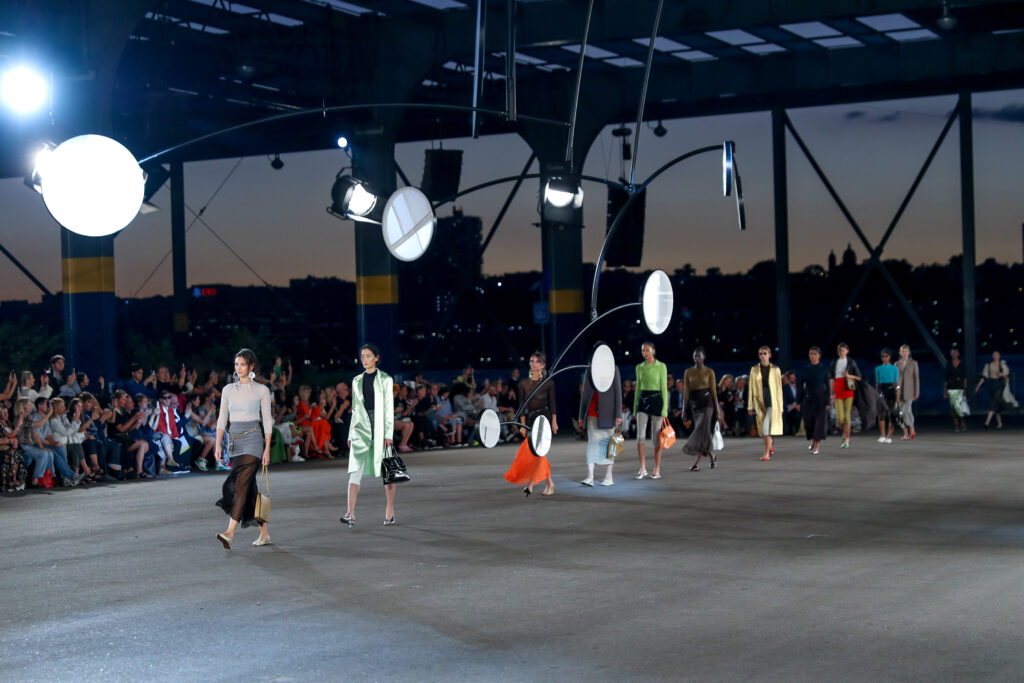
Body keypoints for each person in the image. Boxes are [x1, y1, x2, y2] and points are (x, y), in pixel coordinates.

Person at [215, 349, 273, 549]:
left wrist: (266, 449)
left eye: (242, 364)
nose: (238, 368)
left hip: (253, 440)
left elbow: (267, 420)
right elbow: (222, 418)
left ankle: (229, 533)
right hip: (235, 441)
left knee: (239, 485)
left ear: (251, 366)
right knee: (249, 489)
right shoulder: (228, 390)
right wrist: (218, 444)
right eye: (236, 364)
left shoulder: (261, 390)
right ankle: (264, 533)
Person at [341, 343, 398, 527]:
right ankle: (350, 513)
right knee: (355, 469)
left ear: (376, 358)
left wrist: (388, 434)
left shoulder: (386, 379)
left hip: (380, 425)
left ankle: (390, 510)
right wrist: (351, 434)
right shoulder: (356, 380)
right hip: (361, 426)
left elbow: (389, 408)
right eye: (362, 356)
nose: (364, 359)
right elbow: (355, 409)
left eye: (368, 356)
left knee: (388, 471)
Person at [504, 351, 557, 496]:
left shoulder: (548, 383)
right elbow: (521, 406)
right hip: (531, 420)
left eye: (537, 361)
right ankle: (549, 483)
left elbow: (553, 404)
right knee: (535, 452)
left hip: (544, 419)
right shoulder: (523, 383)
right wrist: (522, 425)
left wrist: (554, 422)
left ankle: (531, 484)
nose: (533, 364)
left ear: (543, 365)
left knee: (537, 451)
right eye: (531, 361)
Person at [578, 355, 622, 487]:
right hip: (593, 410)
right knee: (592, 442)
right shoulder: (590, 369)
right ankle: (590, 476)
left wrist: (618, 414)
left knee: (610, 443)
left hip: (609, 412)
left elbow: (618, 392)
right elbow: (585, 393)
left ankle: (609, 476)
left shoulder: (614, 368)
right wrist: (581, 415)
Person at [681, 347, 724, 471]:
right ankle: (712, 456)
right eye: (694, 356)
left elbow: (713, 391)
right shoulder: (688, 372)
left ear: (704, 357)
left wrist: (717, 410)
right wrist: (684, 410)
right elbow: (686, 392)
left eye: (699, 355)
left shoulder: (709, 371)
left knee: (700, 430)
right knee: (704, 432)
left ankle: (697, 462)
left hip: (707, 403)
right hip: (695, 405)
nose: (696, 358)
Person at [633, 342, 669, 480]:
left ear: (654, 351)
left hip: (656, 401)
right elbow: (638, 389)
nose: (645, 353)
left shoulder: (661, 366)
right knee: (640, 436)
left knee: (656, 438)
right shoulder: (639, 367)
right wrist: (635, 409)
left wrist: (664, 410)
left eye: (647, 350)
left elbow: (664, 388)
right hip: (642, 401)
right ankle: (642, 468)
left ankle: (657, 469)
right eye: (643, 350)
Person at [748, 346, 783, 461]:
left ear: (769, 355)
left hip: (773, 401)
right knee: (763, 429)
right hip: (760, 401)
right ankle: (770, 444)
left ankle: (766, 453)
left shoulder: (776, 369)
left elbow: (779, 389)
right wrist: (750, 405)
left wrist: (781, 407)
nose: (762, 356)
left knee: (766, 427)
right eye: (761, 354)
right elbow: (751, 388)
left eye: (765, 353)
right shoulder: (754, 369)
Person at [829, 343, 862, 450]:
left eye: (843, 350)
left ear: (847, 351)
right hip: (838, 389)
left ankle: (847, 439)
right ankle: (845, 433)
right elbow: (832, 378)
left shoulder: (851, 362)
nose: (841, 352)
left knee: (847, 416)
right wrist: (831, 393)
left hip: (848, 389)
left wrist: (848, 375)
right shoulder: (835, 362)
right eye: (840, 351)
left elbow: (859, 377)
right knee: (839, 418)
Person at [975, 350, 1017, 430]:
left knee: (993, 403)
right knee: (996, 405)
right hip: (992, 385)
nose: (996, 356)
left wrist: (1002, 374)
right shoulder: (989, 365)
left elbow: (1007, 375)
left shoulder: (1002, 364)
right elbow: (984, 377)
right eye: (994, 354)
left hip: (999, 385)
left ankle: (987, 423)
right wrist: (978, 386)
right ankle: (1000, 423)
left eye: (997, 354)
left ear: (999, 356)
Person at [799, 347, 830, 454]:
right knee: (809, 422)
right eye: (811, 353)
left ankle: (817, 446)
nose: (812, 356)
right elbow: (800, 383)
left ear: (819, 356)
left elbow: (827, 386)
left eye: (815, 354)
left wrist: (827, 401)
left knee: (819, 423)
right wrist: (799, 399)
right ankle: (813, 442)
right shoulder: (806, 368)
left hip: (820, 398)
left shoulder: (824, 369)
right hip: (808, 397)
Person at [875, 349, 899, 444]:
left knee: (892, 414)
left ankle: (889, 436)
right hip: (882, 391)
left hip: (891, 391)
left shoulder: (894, 368)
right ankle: (882, 435)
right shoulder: (878, 369)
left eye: (886, 356)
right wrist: (876, 395)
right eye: (883, 356)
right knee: (881, 413)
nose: (884, 358)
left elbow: (896, 383)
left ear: (890, 357)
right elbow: (877, 384)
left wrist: (897, 396)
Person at [896, 345, 920, 440]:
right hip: (899, 391)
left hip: (910, 391)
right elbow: (895, 378)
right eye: (902, 351)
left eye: (906, 351)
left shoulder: (913, 363)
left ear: (909, 352)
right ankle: (905, 433)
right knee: (900, 413)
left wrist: (916, 391)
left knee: (907, 410)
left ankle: (912, 429)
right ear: (900, 353)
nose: (904, 353)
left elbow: (916, 378)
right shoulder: (897, 364)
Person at [944, 347, 968, 432]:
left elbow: (965, 378)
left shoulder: (962, 364)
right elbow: (946, 379)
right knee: (953, 408)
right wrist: (945, 391)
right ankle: (956, 425)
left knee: (959, 407)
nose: (954, 354)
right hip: (951, 388)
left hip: (960, 388)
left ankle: (962, 422)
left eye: (955, 352)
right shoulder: (949, 365)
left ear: (958, 354)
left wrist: (965, 389)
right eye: (952, 353)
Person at [782, 372, 801, 436]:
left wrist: (798, 405)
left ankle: (796, 431)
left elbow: (802, 397)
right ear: (789, 379)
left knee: (798, 414)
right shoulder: (785, 388)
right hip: (788, 408)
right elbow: (784, 399)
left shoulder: (799, 387)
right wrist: (790, 406)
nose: (793, 379)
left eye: (793, 378)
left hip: (798, 408)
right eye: (791, 378)